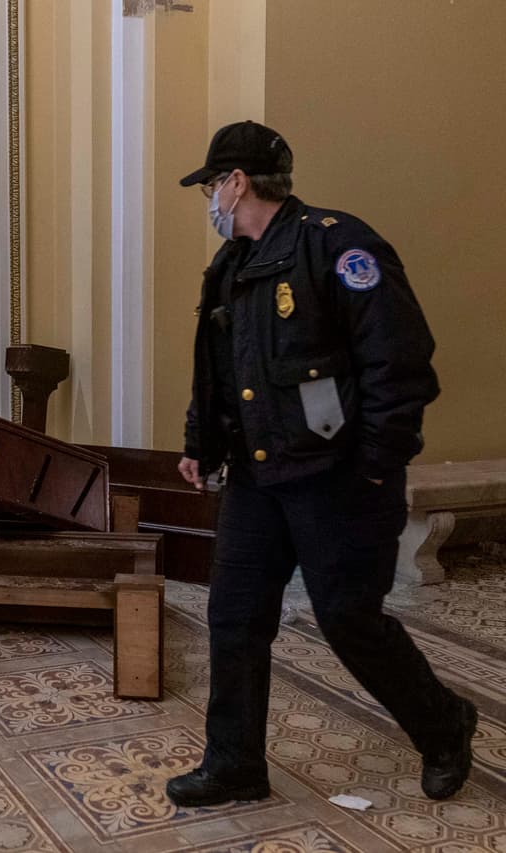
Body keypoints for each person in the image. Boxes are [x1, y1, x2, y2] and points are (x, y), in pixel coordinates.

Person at [167, 120, 477, 807]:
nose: (210, 201)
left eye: (211, 186)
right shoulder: (232, 268)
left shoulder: (340, 246)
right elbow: (218, 370)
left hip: (338, 481)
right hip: (258, 479)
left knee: (348, 618)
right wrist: (201, 443)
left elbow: (399, 367)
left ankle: (445, 722)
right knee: (236, 615)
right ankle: (236, 763)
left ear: (237, 182)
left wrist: (373, 466)